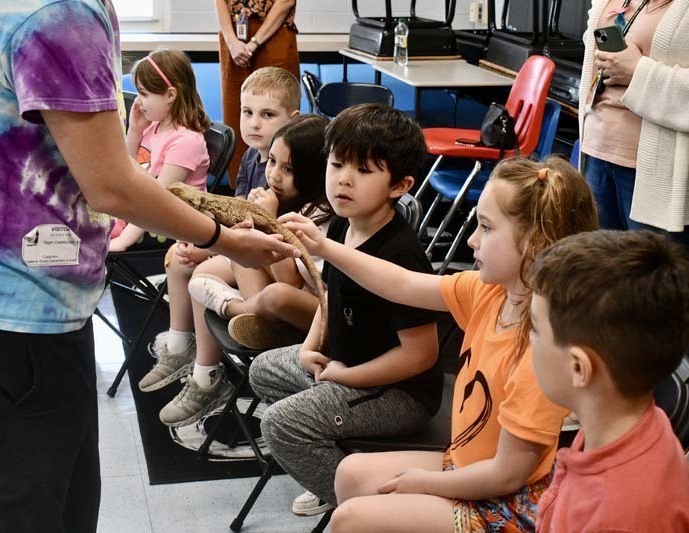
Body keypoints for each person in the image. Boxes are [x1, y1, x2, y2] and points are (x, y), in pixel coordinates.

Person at [0, 1, 296, 531]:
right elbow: (110, 184)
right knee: (32, 512)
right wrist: (226, 240)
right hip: (8, 320)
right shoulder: (59, 12)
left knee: (47, 505)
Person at [282, 157, 598, 531]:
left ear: (534, 242)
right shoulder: (490, 291)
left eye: (485, 227)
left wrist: (425, 482)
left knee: (350, 520)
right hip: (465, 465)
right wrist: (325, 248)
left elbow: (507, 477)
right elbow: (401, 283)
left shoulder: (540, 350)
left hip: (509, 508)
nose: (471, 240)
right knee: (350, 474)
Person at [250, 104, 443, 517]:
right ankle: (333, 466)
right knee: (263, 370)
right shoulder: (342, 223)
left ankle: (372, 513)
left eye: (364, 171)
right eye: (336, 164)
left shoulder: (401, 252)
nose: (343, 179)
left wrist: (346, 377)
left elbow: (421, 354)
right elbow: (327, 295)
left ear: (400, 185)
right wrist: (308, 346)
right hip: (343, 367)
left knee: (282, 424)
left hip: (397, 393)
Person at [150, 115, 333, 429]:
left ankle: (243, 311)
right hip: (278, 282)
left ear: (314, 174)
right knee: (201, 270)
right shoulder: (285, 195)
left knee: (273, 294)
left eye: (288, 169)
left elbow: (289, 279)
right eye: (272, 162)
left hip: (316, 311)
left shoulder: (318, 215)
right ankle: (205, 374)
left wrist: (266, 219)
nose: (274, 175)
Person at [138, 66, 300, 393]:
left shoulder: (293, 169)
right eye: (247, 112)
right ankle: (182, 346)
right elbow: (236, 212)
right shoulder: (253, 158)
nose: (254, 123)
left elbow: (274, 235)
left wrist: (212, 247)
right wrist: (204, 242)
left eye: (268, 114)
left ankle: (208, 373)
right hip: (246, 245)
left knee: (198, 270)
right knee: (182, 258)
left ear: (292, 118)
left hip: (271, 257)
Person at [529, 230, 689, 532]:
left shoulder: (617, 518)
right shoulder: (615, 423)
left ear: (579, 368)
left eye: (536, 329)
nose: (528, 338)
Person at [579, 0, 689, 240]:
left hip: (654, 173)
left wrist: (638, 71)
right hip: (597, 152)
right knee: (599, 272)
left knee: (650, 275)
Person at [109, 48, 211, 252]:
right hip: (142, 213)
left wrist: (122, 241)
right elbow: (125, 170)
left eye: (144, 94)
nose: (138, 101)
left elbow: (158, 201)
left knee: (92, 231)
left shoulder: (186, 141)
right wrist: (135, 131)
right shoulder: (151, 125)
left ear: (170, 94)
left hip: (170, 226)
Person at [215, 0, 300, 179]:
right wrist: (231, 42)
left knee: (277, 113)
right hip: (234, 36)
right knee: (237, 117)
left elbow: (286, 2)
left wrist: (254, 43)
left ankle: (279, 189)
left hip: (274, 34)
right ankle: (239, 191)